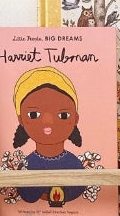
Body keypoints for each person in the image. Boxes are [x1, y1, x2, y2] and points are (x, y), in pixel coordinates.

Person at [10, 68, 89, 205]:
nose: (48, 122)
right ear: (21, 120)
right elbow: (27, 196)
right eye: (33, 115)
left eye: (63, 115)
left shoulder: (74, 164)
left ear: (75, 119)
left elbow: (79, 189)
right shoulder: (26, 165)